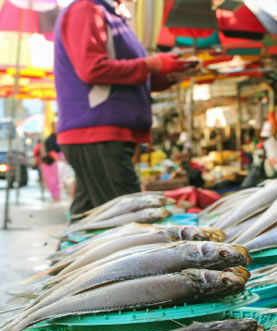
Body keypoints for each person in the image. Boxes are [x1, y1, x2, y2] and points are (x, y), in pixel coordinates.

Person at [54, 0, 197, 215]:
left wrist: (171, 73)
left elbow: (129, 77)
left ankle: (69, 248)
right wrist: (153, 64)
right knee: (128, 219)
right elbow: (91, 69)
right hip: (97, 131)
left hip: (105, 133)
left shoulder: (112, 15)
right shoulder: (87, 9)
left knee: (90, 218)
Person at [34, 132, 63, 201]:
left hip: (46, 162)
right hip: (48, 162)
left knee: (52, 180)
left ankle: (56, 196)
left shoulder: (44, 143)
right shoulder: (48, 141)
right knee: (53, 180)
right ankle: (56, 196)